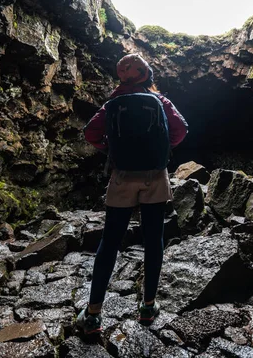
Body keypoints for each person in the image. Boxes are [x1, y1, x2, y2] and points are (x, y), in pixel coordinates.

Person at [77, 54, 188, 334]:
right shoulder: (160, 101)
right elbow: (181, 129)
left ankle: (92, 315)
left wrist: (112, 149)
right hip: (155, 175)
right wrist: (162, 151)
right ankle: (148, 307)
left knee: (110, 240)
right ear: (147, 75)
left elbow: (90, 133)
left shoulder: (112, 104)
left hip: (123, 175)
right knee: (153, 240)